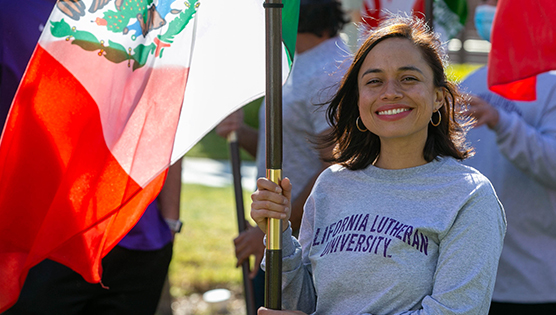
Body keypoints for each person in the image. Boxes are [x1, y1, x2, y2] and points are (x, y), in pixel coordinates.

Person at [251, 15, 506, 314]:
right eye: (374, 81)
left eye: (408, 78)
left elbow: (455, 311)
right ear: (359, 100)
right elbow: (306, 304)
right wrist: (279, 235)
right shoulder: (330, 185)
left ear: (438, 97)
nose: (390, 92)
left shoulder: (470, 196)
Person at [0, 1, 181, 314]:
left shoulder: (137, 8)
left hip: (137, 239)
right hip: (38, 242)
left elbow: (162, 113)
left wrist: (170, 222)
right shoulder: (10, 11)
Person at [216, 0, 349, 308]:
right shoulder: (299, 61)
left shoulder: (331, 70)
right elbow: (286, 147)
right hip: (277, 232)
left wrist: (277, 223)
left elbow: (337, 165)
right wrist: (243, 132)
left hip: (302, 242)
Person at [460, 0, 556, 313]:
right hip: (473, 276)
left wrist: (501, 122)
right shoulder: (469, 83)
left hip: (535, 280)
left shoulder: (551, 84)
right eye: (486, 2)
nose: (487, 9)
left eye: (497, 2)